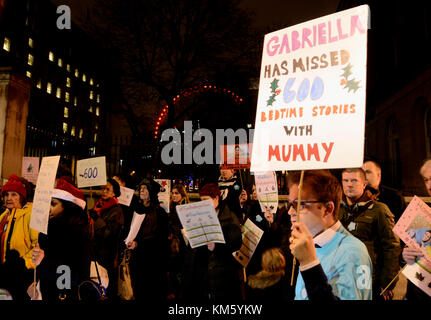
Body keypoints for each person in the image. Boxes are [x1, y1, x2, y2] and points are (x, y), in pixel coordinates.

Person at [287, 170, 372, 300]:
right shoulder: (310, 243)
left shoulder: (352, 252)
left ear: (327, 209)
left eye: (300, 204)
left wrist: (309, 264)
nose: (290, 211)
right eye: (290, 204)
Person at [338, 168, 401, 300]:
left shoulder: (379, 210)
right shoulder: (335, 210)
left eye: (354, 180)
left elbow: (392, 247)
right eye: (346, 180)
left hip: (369, 280)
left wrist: (388, 283)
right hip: (341, 278)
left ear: (364, 184)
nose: (349, 184)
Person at [29, 178, 90, 301]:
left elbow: (74, 276)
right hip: (46, 292)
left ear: (67, 207)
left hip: (64, 295)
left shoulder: (77, 234)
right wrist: (36, 282)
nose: (48, 208)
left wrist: (44, 261)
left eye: (53, 204)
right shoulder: (46, 230)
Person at [182, 183, 242, 302]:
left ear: (216, 198)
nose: (203, 204)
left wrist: (217, 245)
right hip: (203, 273)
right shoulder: (199, 216)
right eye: (201, 200)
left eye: (206, 200)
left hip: (223, 273)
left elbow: (236, 242)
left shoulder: (229, 216)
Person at [126, 178, 169, 301]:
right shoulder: (136, 209)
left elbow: (160, 239)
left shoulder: (159, 213)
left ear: (152, 192)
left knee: (150, 293)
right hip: (137, 259)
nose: (142, 190)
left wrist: (139, 243)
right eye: (141, 188)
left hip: (152, 261)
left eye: (145, 188)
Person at [0, 174, 39, 300]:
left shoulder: (30, 215)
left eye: (13, 194)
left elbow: (37, 246)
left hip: (22, 275)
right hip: (4, 274)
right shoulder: (3, 217)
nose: (8, 198)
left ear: (21, 197)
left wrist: (23, 263)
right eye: (6, 194)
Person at [88, 178, 124, 300]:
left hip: (106, 255)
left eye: (107, 189)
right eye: (103, 188)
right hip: (95, 252)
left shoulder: (116, 210)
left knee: (106, 284)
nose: (104, 191)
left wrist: (97, 220)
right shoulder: (99, 205)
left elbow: (109, 234)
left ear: (114, 193)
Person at [402, 159, 431, 300]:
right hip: (419, 291)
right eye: (426, 180)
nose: (429, 185)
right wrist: (407, 255)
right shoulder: (422, 214)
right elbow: (411, 254)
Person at [167, 183, 190, 299]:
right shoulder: (171, 207)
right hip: (173, 243)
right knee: (173, 270)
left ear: (182, 194)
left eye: (176, 193)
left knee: (180, 270)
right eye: (172, 193)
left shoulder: (185, 207)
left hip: (182, 244)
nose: (174, 195)